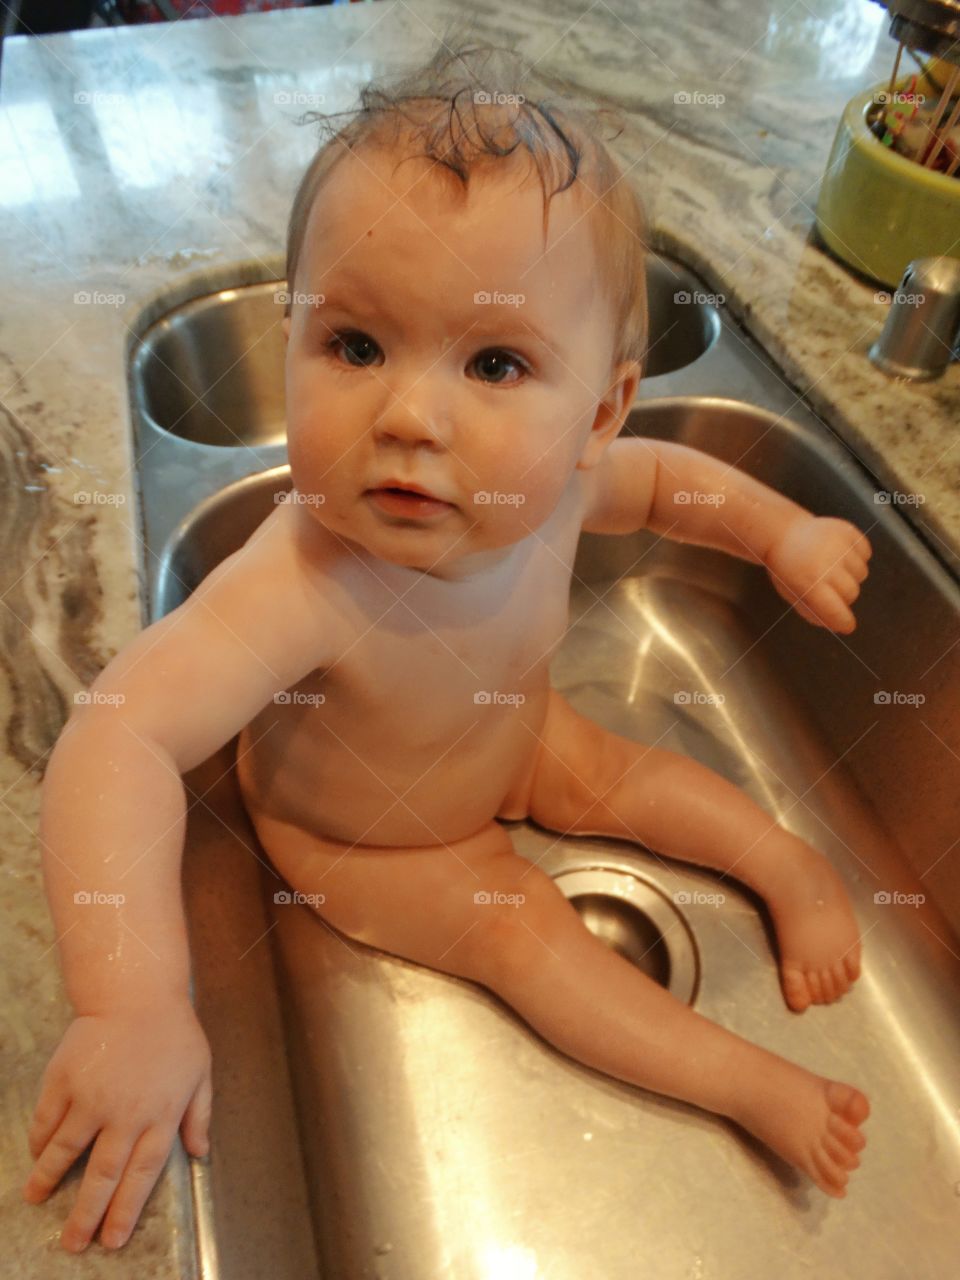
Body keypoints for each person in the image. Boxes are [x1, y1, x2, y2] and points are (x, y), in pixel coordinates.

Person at [23, 35, 871, 1255]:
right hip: (366, 840)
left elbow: (673, 489)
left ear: (600, 408)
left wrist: (782, 533)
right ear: (291, 335)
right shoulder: (307, 572)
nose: (411, 417)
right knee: (523, 924)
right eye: (355, 346)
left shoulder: (569, 482)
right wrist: (131, 1001)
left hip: (514, 738)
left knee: (636, 778)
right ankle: (747, 1083)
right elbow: (117, 740)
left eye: (494, 363)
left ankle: (790, 871)